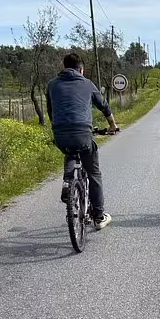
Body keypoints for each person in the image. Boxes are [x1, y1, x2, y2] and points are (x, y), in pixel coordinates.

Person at [46, 53, 118, 230]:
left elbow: (51, 110)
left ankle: (67, 181)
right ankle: (99, 217)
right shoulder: (87, 83)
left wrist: (59, 127)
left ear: (64, 67)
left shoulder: (52, 85)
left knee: (70, 152)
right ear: (81, 69)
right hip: (82, 133)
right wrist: (112, 125)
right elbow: (104, 105)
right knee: (94, 173)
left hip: (60, 133)